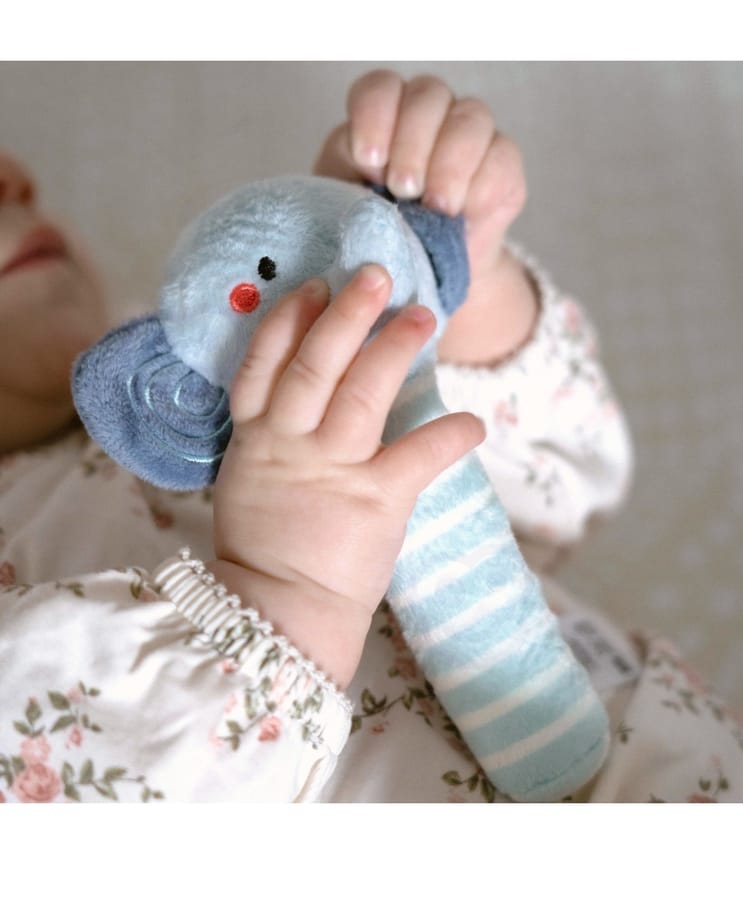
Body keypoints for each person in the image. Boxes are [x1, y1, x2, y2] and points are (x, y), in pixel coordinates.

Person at [1, 70, 741, 804]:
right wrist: (285, 588)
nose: (12, 175)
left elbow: (560, 495)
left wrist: (444, 286)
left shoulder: (209, 366)